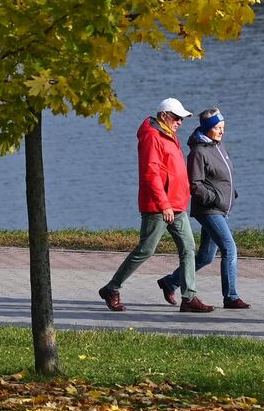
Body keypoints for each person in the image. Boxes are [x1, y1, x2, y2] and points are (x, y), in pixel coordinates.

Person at [99, 98, 214, 313]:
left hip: (177, 204)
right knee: (146, 249)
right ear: (164, 116)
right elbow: (150, 174)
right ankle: (111, 288)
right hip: (158, 206)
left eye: (182, 118)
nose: (180, 122)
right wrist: (164, 205)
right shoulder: (152, 136)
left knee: (188, 249)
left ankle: (189, 298)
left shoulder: (169, 135)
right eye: (177, 117)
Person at [160, 108, 249, 309]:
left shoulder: (219, 146)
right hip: (208, 210)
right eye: (217, 127)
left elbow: (225, 175)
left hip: (221, 209)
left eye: (223, 127)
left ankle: (170, 282)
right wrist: (215, 198)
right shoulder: (198, 152)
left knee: (205, 256)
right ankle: (231, 297)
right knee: (229, 248)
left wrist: (232, 193)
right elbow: (195, 184)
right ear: (207, 128)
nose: (221, 131)